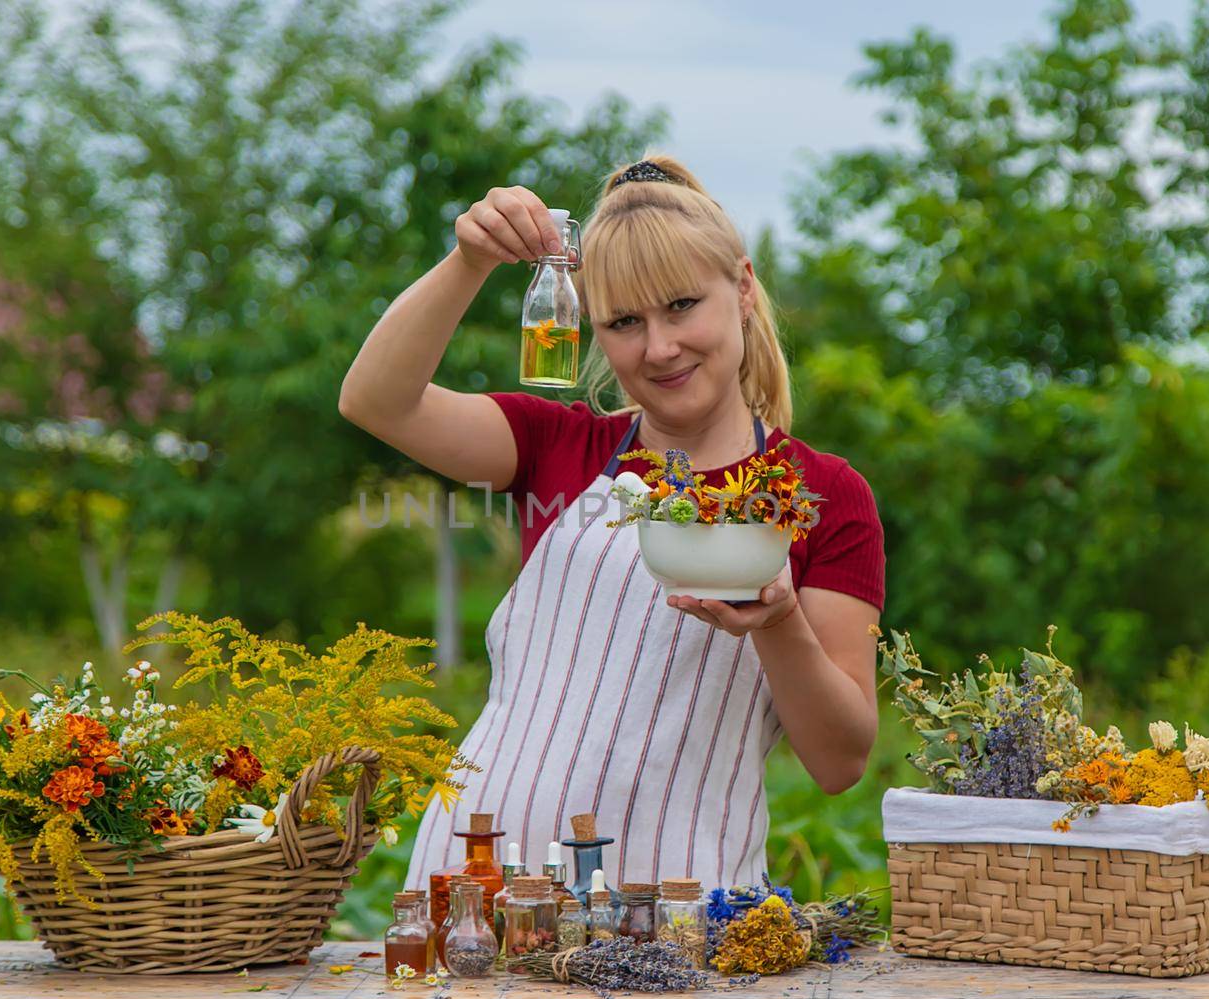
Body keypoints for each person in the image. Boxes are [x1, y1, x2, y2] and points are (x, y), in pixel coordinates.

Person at [339, 154, 884, 890]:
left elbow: (840, 762)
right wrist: (469, 261)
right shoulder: (557, 447)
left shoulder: (822, 494)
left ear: (744, 290)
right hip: (480, 888)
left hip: (681, 916)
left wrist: (779, 621)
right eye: (625, 322)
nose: (658, 348)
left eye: (682, 306)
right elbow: (376, 401)